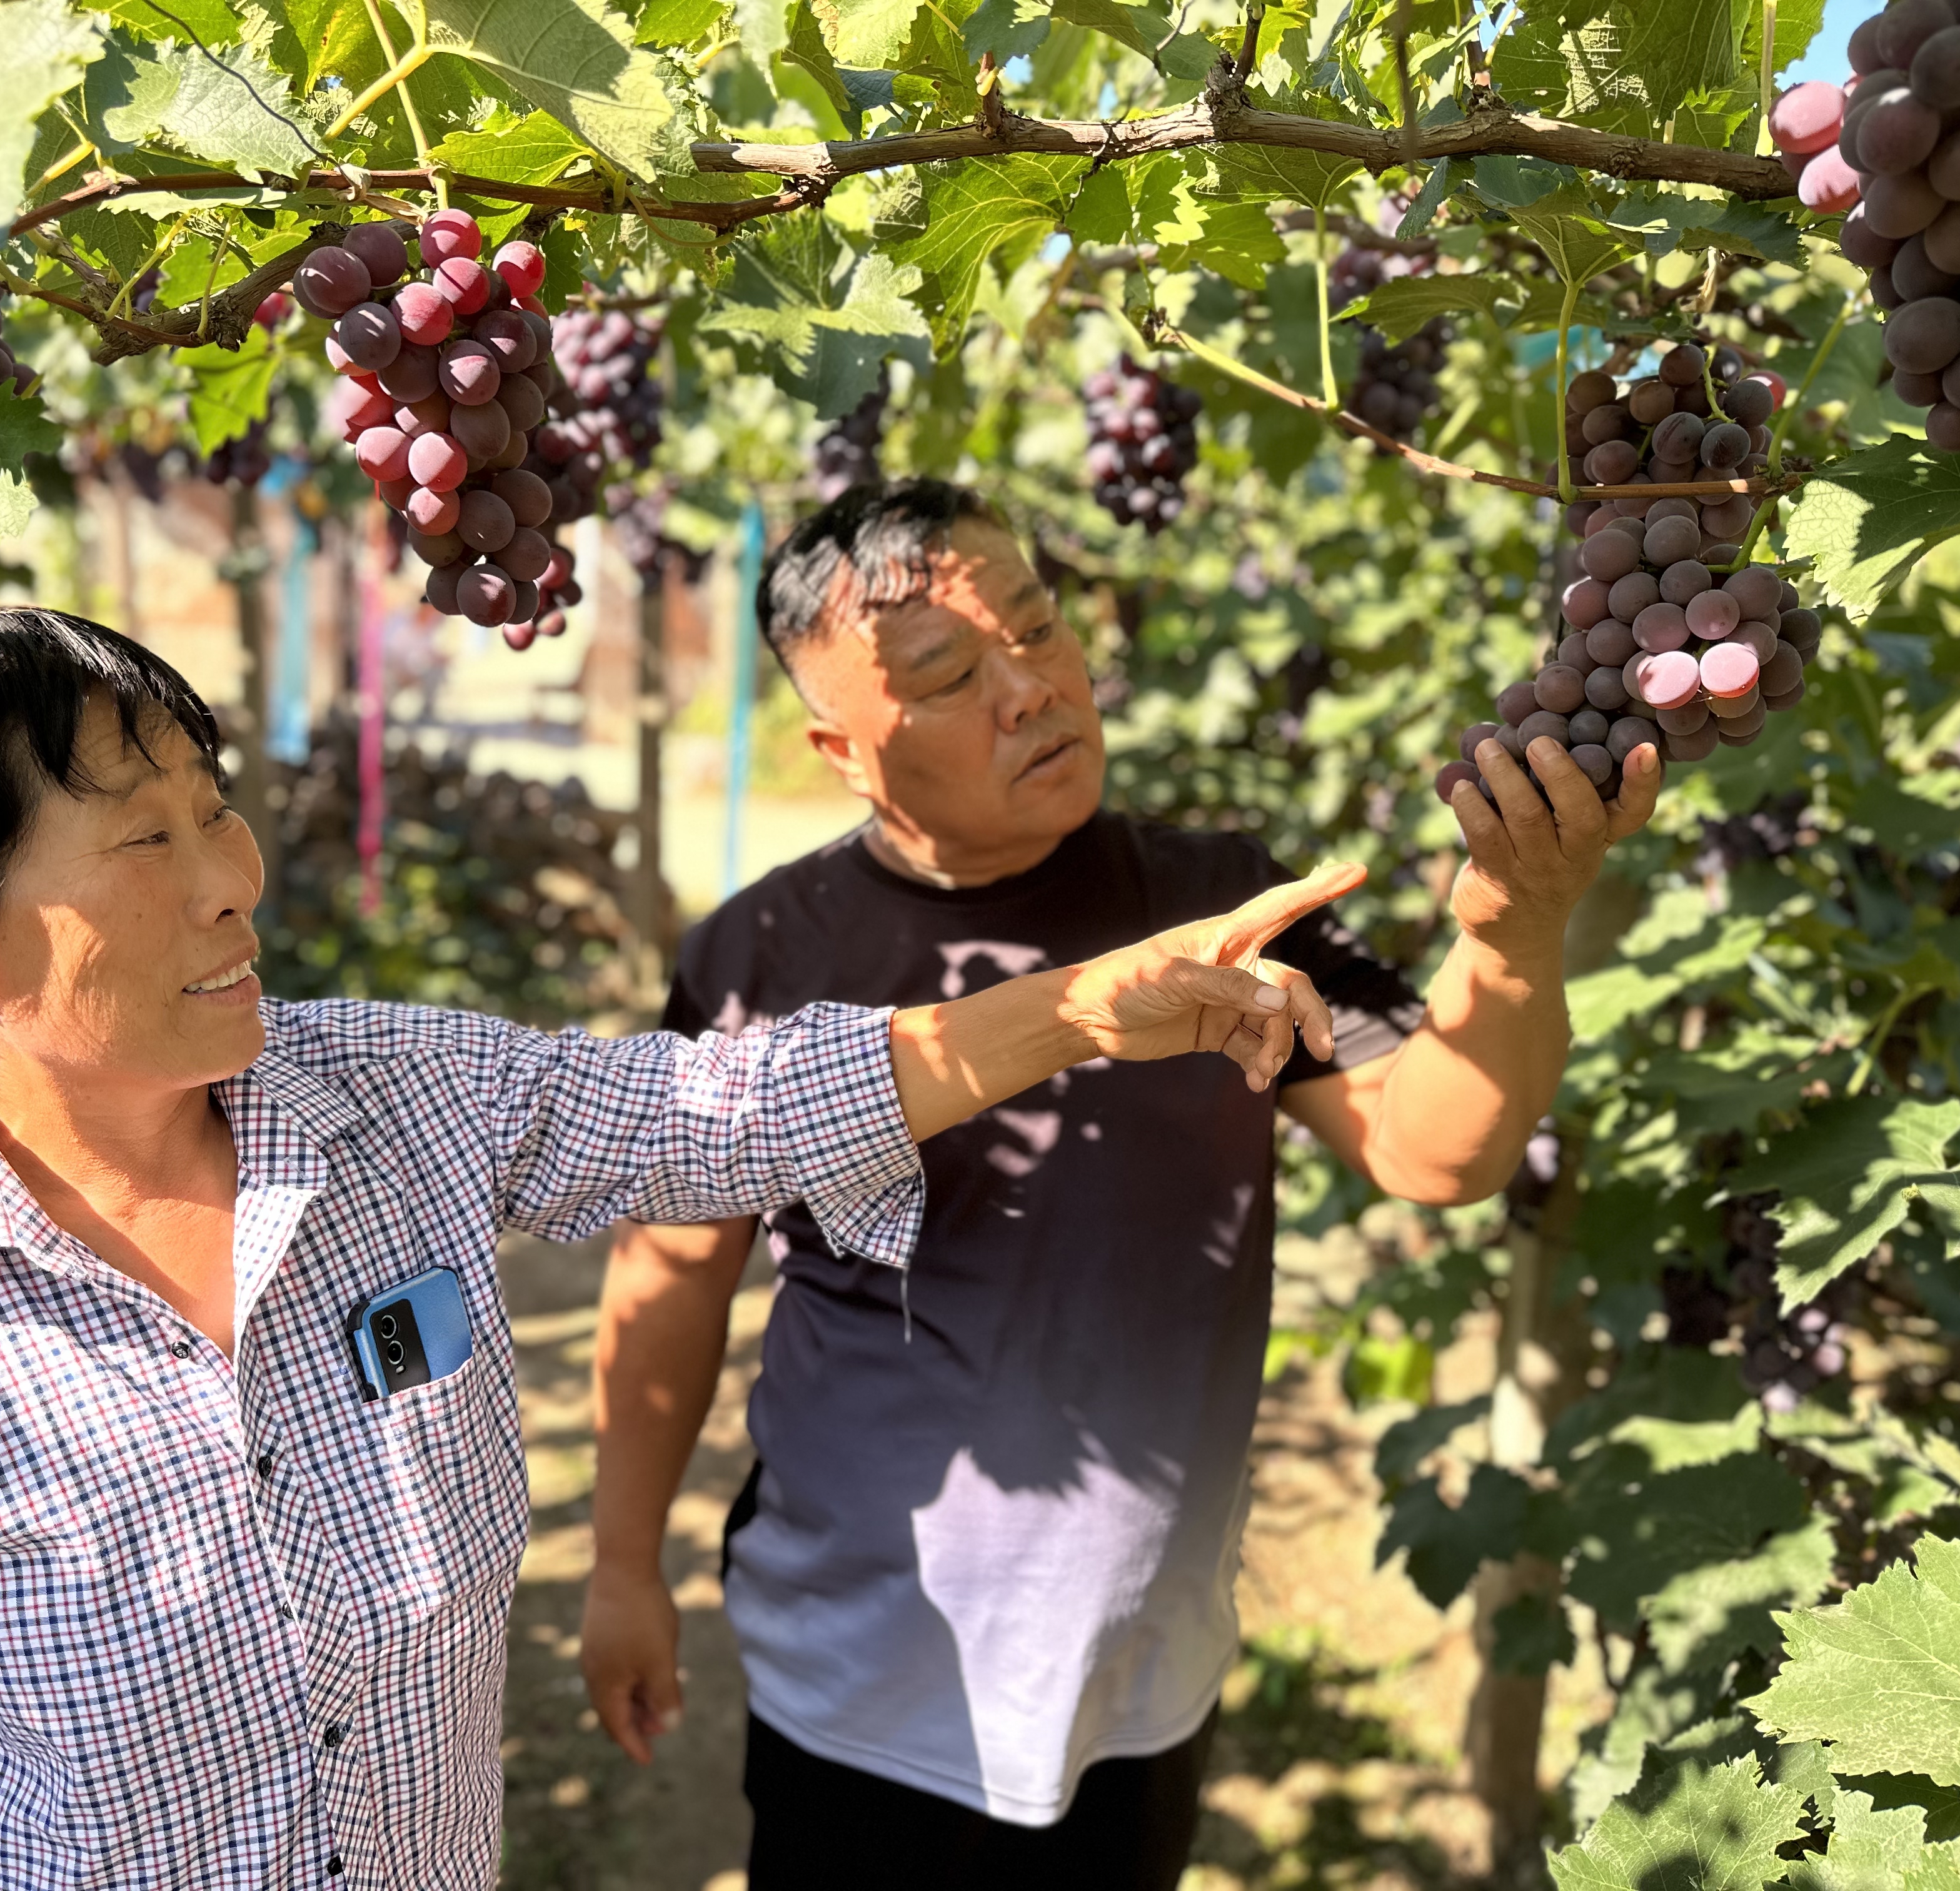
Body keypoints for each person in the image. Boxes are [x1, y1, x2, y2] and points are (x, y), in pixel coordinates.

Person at [0, 606, 1357, 1890]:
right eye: (145, 840)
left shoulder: (394, 1096)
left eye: (213, 806)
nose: (235, 877)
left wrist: (1074, 1013)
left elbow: (727, 1114)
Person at [578, 481, 1661, 1888]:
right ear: (842, 748)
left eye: (1037, 626)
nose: (1028, 687)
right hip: (856, 1676)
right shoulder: (762, 954)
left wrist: (1514, 940)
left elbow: (1432, 1149)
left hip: (1139, 1672)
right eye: (949, 675)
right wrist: (619, 1565)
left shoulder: (1226, 904)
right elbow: (670, 1277)